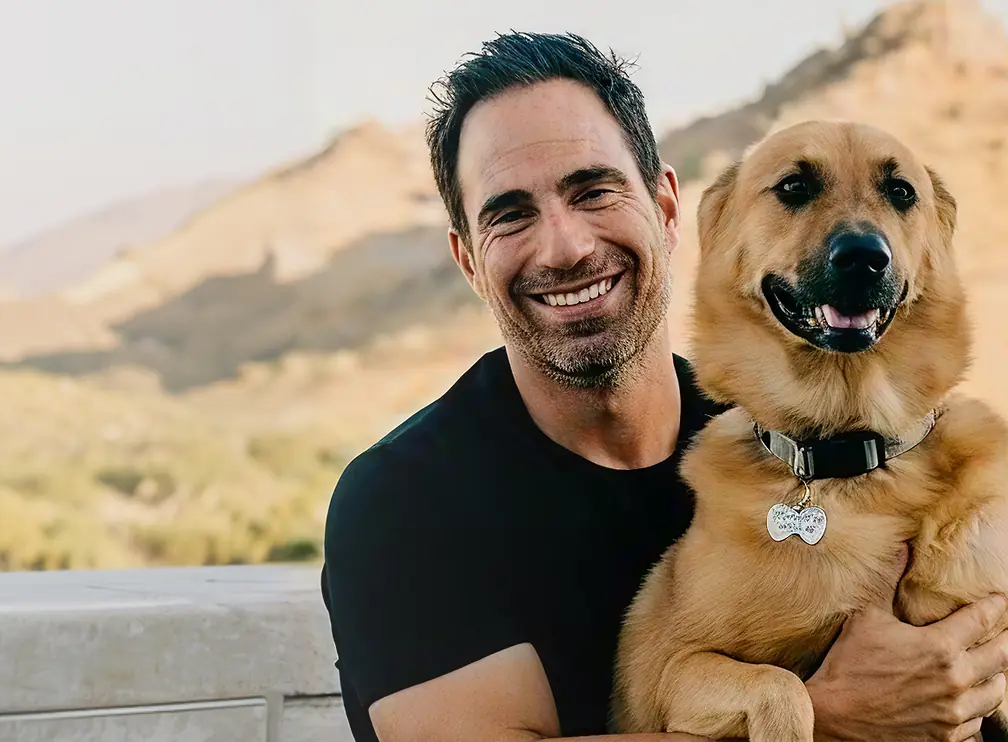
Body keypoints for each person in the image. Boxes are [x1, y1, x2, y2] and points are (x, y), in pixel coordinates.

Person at [319, 29, 1008, 742]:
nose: (567, 247)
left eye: (593, 191)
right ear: (467, 258)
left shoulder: (778, 431)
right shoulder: (407, 501)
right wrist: (834, 717)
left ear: (669, 209)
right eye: (511, 214)